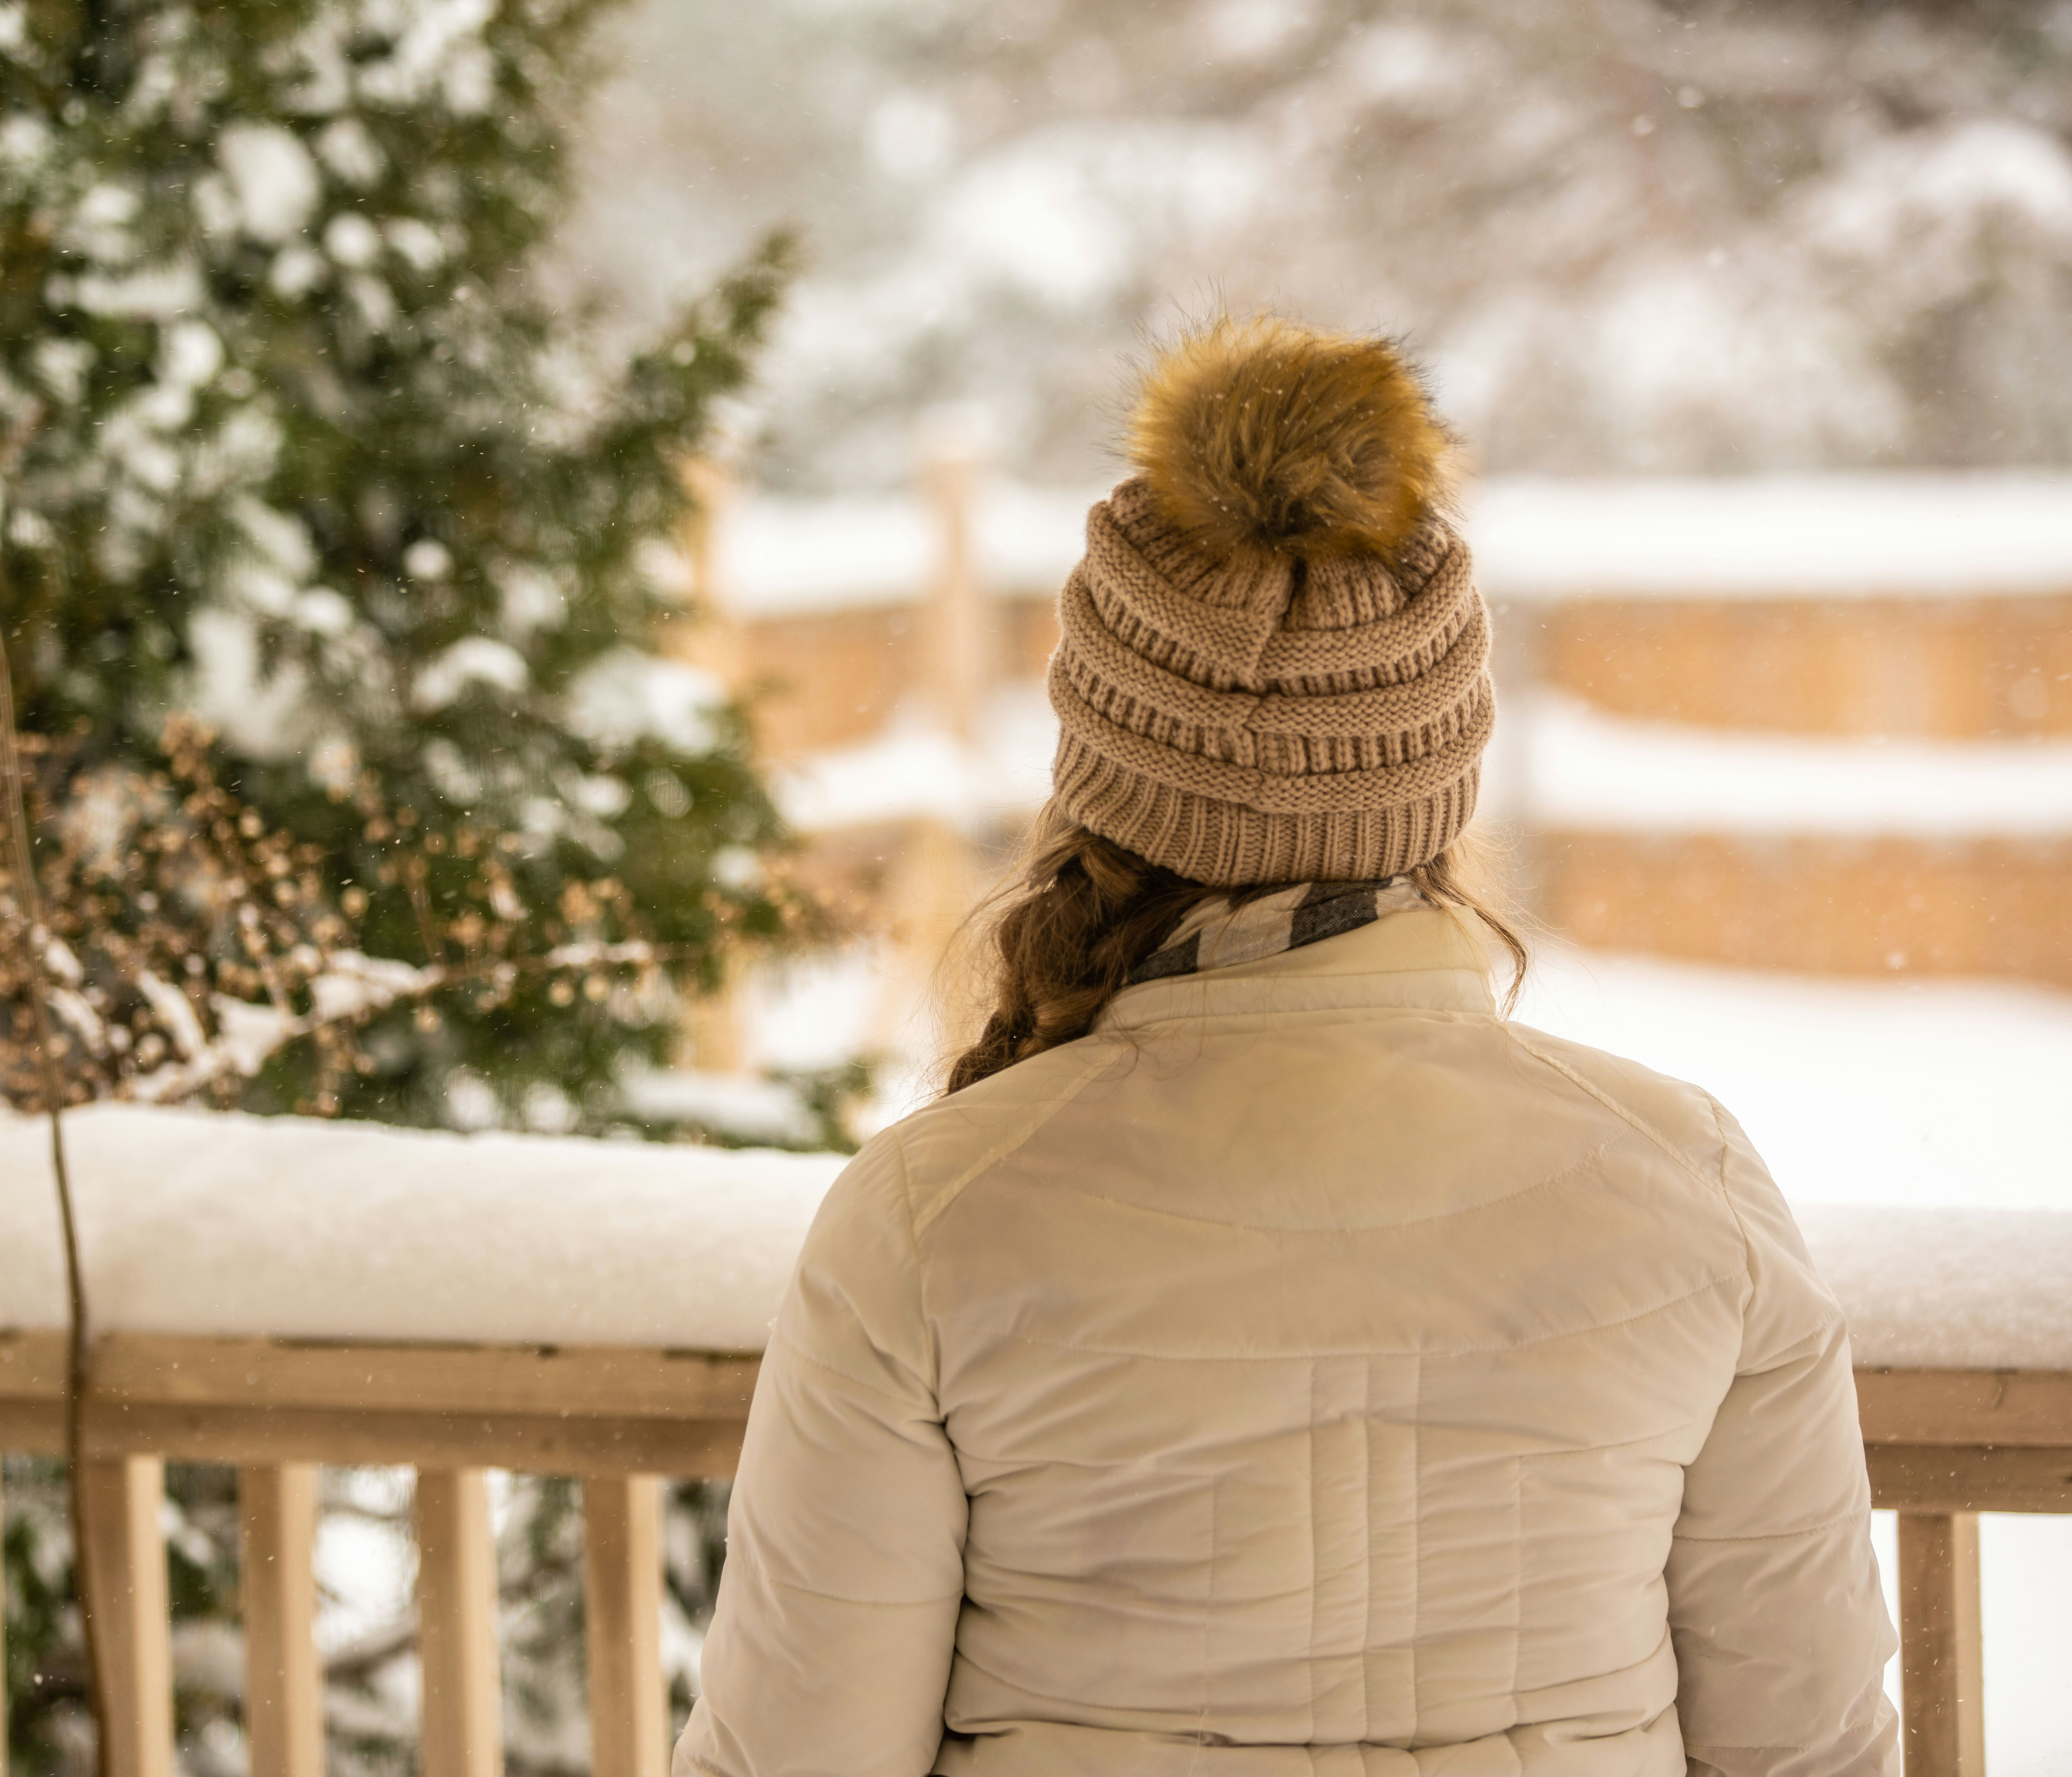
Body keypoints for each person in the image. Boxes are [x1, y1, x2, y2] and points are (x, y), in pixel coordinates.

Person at [672, 317, 1897, 1777]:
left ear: (1097, 789)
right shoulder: (1686, 1187)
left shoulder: (929, 1217)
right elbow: (1808, 1750)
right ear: (1438, 787)